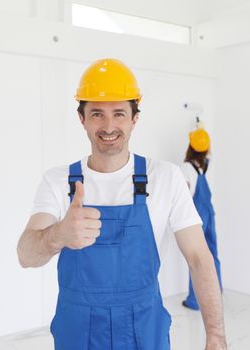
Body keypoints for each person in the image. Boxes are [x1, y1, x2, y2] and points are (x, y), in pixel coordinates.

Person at [17, 58, 227, 350]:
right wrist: (59, 235)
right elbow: (26, 255)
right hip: (78, 334)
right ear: (82, 119)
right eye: (97, 114)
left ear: (134, 118)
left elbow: (199, 258)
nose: (109, 126)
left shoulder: (165, 178)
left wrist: (216, 335)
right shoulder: (57, 181)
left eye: (118, 113)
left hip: (144, 329)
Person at [181, 122, 223, 311]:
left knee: (196, 257)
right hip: (209, 212)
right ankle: (216, 295)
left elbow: (184, 194)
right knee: (212, 254)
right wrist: (201, 127)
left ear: (190, 146)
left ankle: (195, 300)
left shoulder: (186, 168)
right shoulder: (209, 164)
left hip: (196, 215)